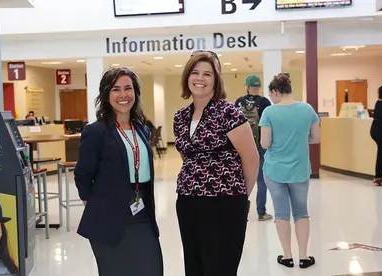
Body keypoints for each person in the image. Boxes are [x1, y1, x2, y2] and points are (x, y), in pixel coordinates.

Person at [173, 50, 259, 275]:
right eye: (195, 73)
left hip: (225, 203)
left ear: (216, 80)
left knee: (220, 268)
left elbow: (251, 158)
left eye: (207, 74)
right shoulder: (180, 117)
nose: (199, 79)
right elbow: (188, 158)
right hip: (188, 201)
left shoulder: (228, 112)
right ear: (187, 77)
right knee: (194, 266)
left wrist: (240, 198)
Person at [74, 67, 163, 276]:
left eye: (128, 88)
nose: (123, 95)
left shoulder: (142, 129)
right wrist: (98, 206)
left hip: (142, 216)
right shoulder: (95, 131)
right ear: (106, 95)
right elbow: (82, 175)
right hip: (109, 222)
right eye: (115, 89)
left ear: (135, 93)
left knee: (152, 269)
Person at [259, 73, 320, 269]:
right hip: (300, 169)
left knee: (281, 213)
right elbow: (316, 138)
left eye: (271, 95)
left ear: (275, 91)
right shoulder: (307, 109)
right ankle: (303, 256)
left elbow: (265, 143)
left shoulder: (269, 112)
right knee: (302, 212)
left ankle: (287, 256)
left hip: (274, 170)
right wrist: (299, 140)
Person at [234, 74, 273, 222]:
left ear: (248, 87)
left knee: (240, 179)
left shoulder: (238, 101)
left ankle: (239, 211)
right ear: (259, 87)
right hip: (260, 146)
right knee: (261, 181)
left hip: (241, 146)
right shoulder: (265, 103)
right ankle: (261, 212)